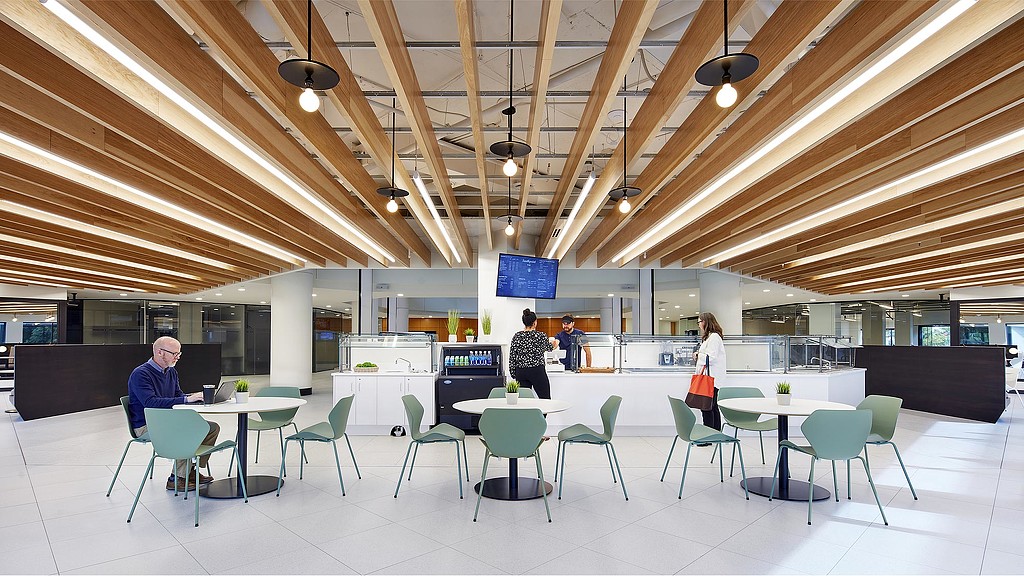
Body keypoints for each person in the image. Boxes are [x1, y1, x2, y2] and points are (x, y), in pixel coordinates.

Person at [127, 336, 219, 491]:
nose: (177, 357)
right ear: (159, 352)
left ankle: (189, 471)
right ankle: (176, 478)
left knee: (211, 428)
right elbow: (151, 403)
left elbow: (178, 395)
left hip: (167, 421)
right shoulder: (141, 374)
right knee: (187, 431)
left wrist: (193, 397)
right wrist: (187, 400)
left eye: (179, 353)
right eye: (174, 353)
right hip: (147, 425)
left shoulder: (171, 372)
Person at [508, 308, 555, 399]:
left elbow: (512, 356)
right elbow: (549, 348)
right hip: (537, 370)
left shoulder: (517, 336)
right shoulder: (540, 336)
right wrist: (555, 343)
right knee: (545, 398)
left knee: (524, 400)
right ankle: (542, 410)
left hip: (521, 371)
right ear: (535, 323)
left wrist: (513, 373)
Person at [694, 312, 725, 435]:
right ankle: (715, 434)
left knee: (707, 407)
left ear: (706, 322)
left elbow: (710, 357)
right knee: (712, 406)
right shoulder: (711, 337)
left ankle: (708, 436)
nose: (699, 325)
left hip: (711, 379)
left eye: (699, 322)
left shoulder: (714, 337)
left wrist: (698, 355)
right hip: (711, 378)